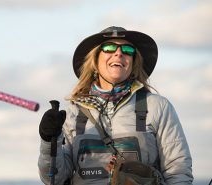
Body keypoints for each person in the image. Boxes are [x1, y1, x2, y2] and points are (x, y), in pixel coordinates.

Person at [38, 26, 193, 184]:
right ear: (95, 60)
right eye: (109, 47)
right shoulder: (73, 112)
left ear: (133, 62)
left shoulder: (158, 106)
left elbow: (178, 171)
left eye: (127, 49)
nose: (119, 53)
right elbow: (54, 178)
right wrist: (49, 140)